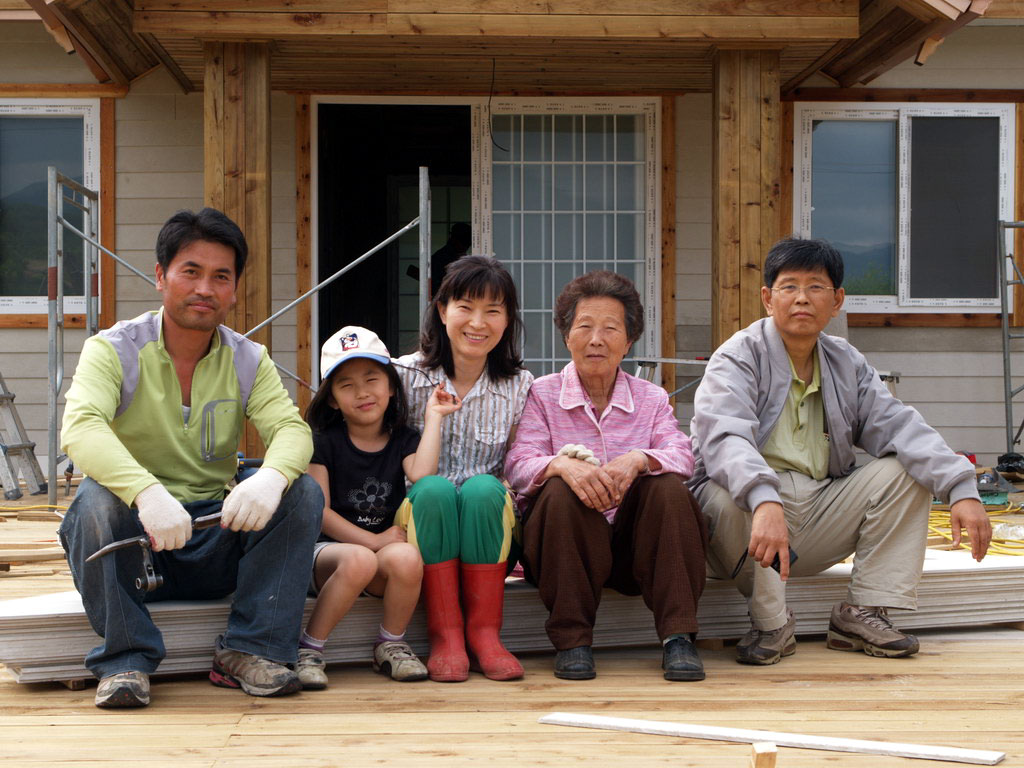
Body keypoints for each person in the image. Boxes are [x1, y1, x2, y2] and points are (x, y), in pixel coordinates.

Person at [58, 208, 322, 708]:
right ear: (161, 277)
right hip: (137, 541)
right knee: (95, 499)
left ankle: (252, 650)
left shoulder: (249, 358)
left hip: (214, 535)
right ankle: (125, 661)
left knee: (300, 490)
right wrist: (146, 492)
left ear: (235, 289)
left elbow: (291, 428)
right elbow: (82, 428)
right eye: (191, 272)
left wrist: (268, 478)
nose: (205, 288)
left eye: (221, 276)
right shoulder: (112, 350)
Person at [689, 237, 992, 666]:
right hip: (744, 527)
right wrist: (763, 497)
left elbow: (899, 425)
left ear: (837, 300)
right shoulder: (738, 357)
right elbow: (725, 439)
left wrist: (961, 488)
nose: (801, 299)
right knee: (728, 490)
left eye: (816, 287)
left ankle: (862, 612)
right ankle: (772, 623)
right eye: (788, 286)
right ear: (767, 298)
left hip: (815, 513)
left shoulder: (844, 360)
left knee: (905, 471)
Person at [505, 271, 708, 682]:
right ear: (567, 336)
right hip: (568, 553)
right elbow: (518, 464)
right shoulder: (542, 394)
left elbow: (683, 456)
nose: (596, 339)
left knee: (667, 487)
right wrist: (561, 465)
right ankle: (573, 641)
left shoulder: (650, 398)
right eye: (584, 327)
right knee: (560, 490)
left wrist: (638, 459)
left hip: (636, 552)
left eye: (610, 328)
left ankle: (678, 638)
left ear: (629, 341)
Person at [393, 255, 533, 682]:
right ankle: (446, 633)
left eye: (493, 311)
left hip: (486, 519)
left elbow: (519, 461)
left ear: (508, 321)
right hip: (420, 517)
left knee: (483, 488)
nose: (478, 322)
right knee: (434, 490)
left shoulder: (520, 385)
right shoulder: (403, 375)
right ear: (442, 310)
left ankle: (485, 634)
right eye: (465, 307)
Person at [296, 326, 460, 689]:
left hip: (380, 553)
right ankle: (308, 648)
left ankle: (391, 643)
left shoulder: (402, 438)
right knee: (360, 558)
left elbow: (422, 474)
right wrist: (373, 542)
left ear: (390, 386)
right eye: (346, 385)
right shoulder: (323, 442)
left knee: (406, 558)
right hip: (328, 555)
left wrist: (434, 416)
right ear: (333, 399)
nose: (362, 392)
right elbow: (319, 512)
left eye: (372, 378)